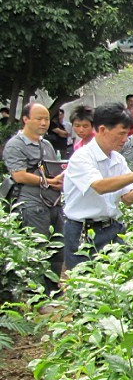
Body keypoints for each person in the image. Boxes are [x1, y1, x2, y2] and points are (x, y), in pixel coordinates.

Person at [63, 102, 133, 269]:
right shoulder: (82, 157)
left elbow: (127, 198)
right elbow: (100, 186)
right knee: (85, 287)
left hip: (112, 229)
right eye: (121, 133)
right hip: (83, 233)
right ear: (103, 130)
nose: (125, 139)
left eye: (127, 134)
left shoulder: (117, 159)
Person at [2, 103, 65, 293]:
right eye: (39, 118)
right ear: (25, 119)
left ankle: (53, 289)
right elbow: (19, 175)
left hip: (53, 202)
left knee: (57, 247)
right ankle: (37, 294)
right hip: (31, 204)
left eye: (46, 119)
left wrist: (59, 179)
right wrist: (48, 182)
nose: (44, 123)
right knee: (37, 249)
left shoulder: (46, 144)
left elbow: (53, 169)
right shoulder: (16, 145)